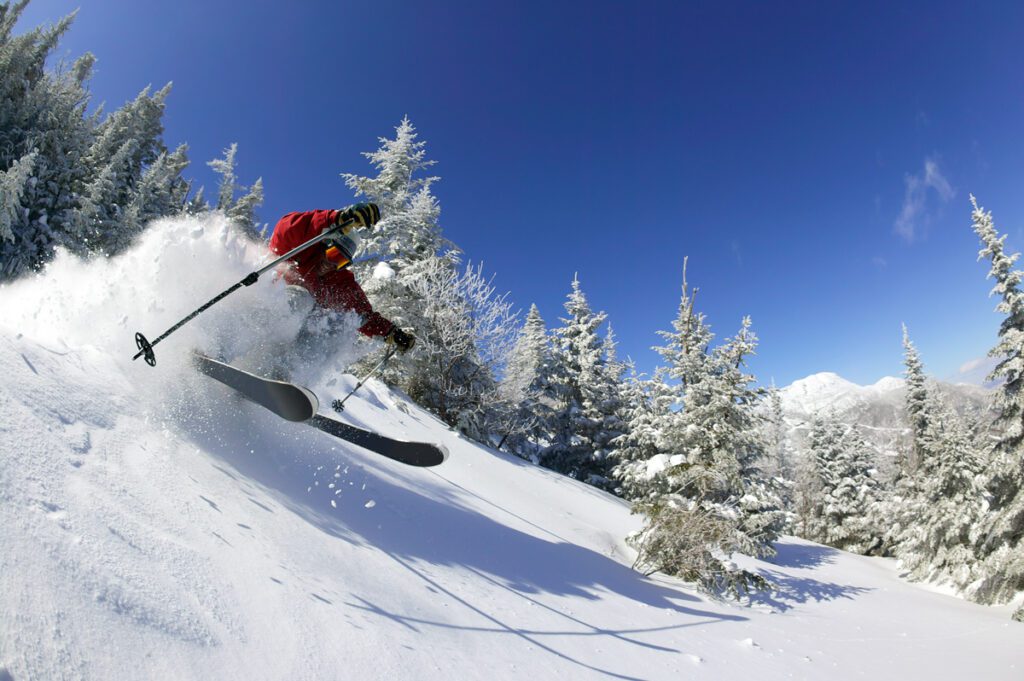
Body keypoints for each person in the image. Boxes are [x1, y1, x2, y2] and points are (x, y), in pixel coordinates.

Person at [268, 203, 415, 353]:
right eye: (334, 254)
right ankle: (262, 339)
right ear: (325, 244)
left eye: (341, 261)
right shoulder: (302, 248)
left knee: (332, 328)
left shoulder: (338, 281)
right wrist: (337, 219)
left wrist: (392, 333)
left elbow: (363, 315)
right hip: (267, 305)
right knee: (301, 297)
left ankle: (288, 370)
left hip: (293, 336)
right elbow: (286, 228)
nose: (332, 264)